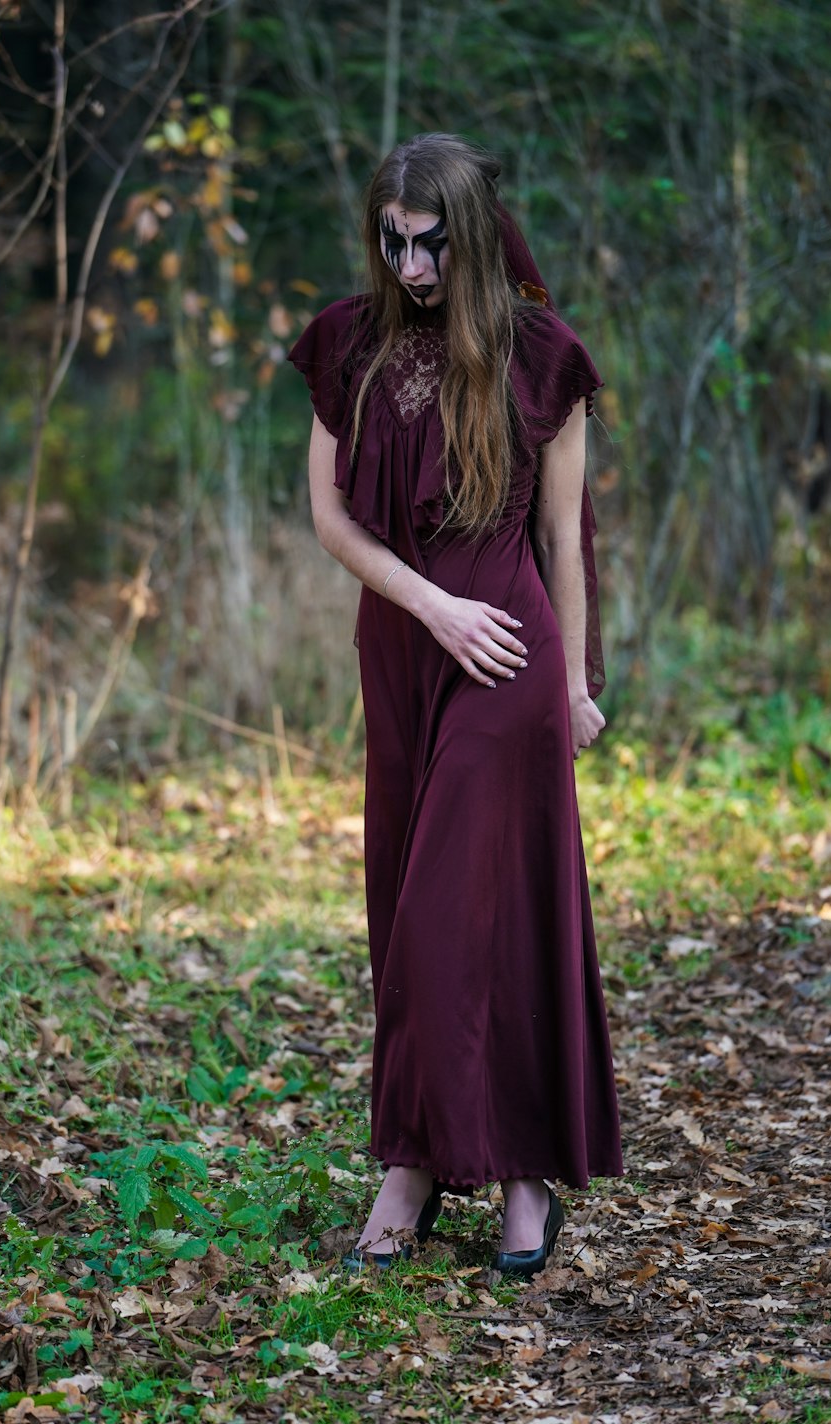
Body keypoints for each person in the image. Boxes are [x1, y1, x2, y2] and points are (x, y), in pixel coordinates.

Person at [288, 134, 623, 1276]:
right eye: (394, 238)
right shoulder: (350, 341)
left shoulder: (543, 358)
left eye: (432, 241)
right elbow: (333, 521)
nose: (412, 263)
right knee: (404, 914)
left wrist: (574, 682)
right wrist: (430, 607)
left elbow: (561, 541)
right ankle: (424, 1155)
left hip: (509, 654)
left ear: (470, 233)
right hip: (409, 642)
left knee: (476, 916)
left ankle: (499, 1175)